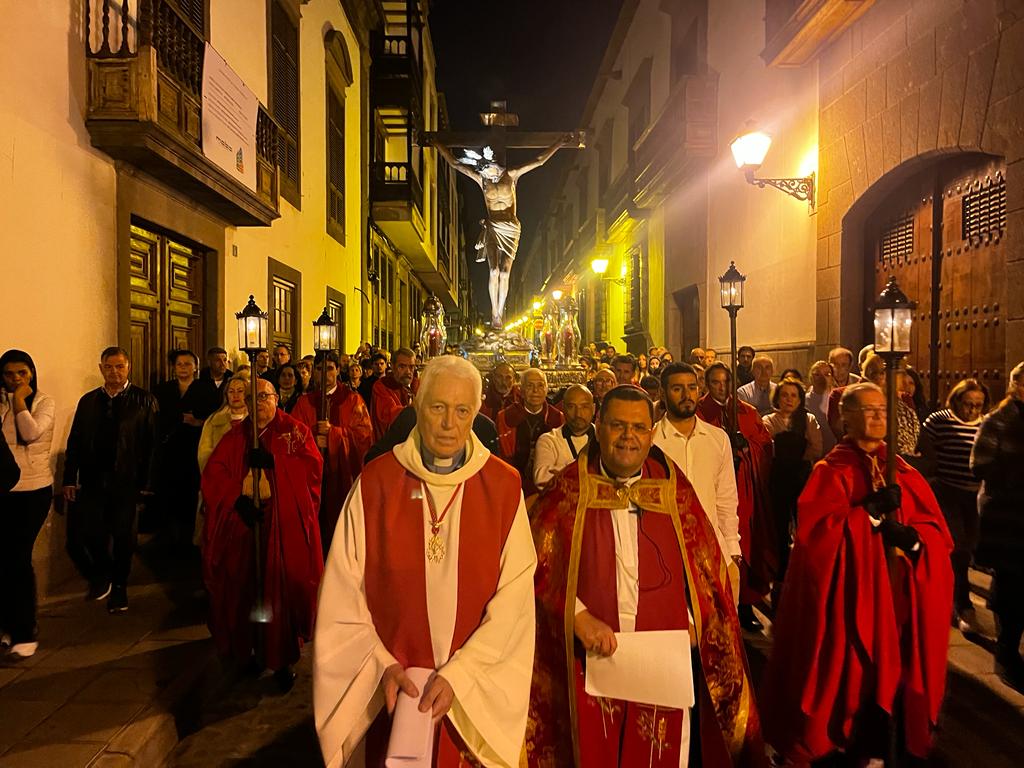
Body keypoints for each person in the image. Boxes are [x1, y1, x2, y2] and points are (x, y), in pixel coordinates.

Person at [314, 356, 537, 767]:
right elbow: (342, 594)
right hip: (393, 691)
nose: (449, 423)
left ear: (477, 412)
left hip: (471, 697)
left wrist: (461, 675)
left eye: (462, 410)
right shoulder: (376, 483)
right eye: (438, 408)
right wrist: (380, 666)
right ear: (417, 404)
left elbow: (516, 602)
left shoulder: (504, 488)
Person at [527, 386, 765, 766]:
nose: (628, 437)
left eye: (638, 428)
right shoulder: (568, 490)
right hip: (588, 658)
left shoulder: (673, 489)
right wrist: (577, 617)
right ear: (598, 427)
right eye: (618, 425)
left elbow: (705, 571)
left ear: (651, 432)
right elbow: (534, 567)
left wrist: (694, 621)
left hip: (661, 657)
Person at [762, 383, 953, 765]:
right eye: (868, 409)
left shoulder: (902, 470)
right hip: (853, 605)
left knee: (896, 689)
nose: (879, 416)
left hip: (899, 604)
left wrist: (914, 542)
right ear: (844, 418)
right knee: (853, 688)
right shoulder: (830, 472)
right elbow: (817, 543)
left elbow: (937, 536)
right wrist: (866, 515)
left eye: (883, 408)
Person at [202, 378, 323, 691]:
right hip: (246, 527)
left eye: (264, 397)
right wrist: (236, 500)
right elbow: (214, 475)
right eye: (251, 398)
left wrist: (275, 465)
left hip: (281, 528)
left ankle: (281, 660)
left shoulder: (295, 432)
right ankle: (251, 650)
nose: (258, 404)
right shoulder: (236, 436)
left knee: (278, 595)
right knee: (246, 590)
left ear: (275, 399)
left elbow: (311, 473)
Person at [435, 134, 577, 327]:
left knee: (504, 272)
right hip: (493, 226)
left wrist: (559, 144)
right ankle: (495, 313)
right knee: (493, 270)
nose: (489, 174)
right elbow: (455, 164)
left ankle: (500, 310)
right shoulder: (482, 179)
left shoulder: (511, 175)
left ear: (495, 164)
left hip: (510, 228)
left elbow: (539, 161)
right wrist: (437, 143)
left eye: (491, 170)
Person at [62, 347, 159, 613]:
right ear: (101, 368)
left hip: (126, 480)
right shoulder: (89, 401)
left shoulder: (144, 400)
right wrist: (70, 477)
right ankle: (101, 575)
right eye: (109, 367)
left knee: (123, 535)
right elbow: (76, 441)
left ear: (128, 368)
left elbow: (151, 445)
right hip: (93, 478)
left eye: (119, 367)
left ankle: (119, 585)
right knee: (90, 532)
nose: (114, 372)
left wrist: (147, 484)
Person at [697, 362, 776, 631]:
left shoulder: (746, 412)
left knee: (744, 546)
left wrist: (746, 449)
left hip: (745, 490)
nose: (721, 387)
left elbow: (764, 445)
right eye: (716, 382)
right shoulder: (699, 412)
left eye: (725, 382)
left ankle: (744, 605)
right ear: (708, 384)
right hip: (713, 491)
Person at [653, 362, 742, 573]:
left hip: (713, 552)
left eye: (691, 387)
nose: (687, 395)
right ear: (663, 394)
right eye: (677, 389)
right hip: (666, 555)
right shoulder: (651, 442)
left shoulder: (717, 439)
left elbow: (726, 498)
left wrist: (732, 548)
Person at [918, 378, 989, 636]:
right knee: (957, 548)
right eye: (967, 404)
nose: (972, 410)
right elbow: (924, 453)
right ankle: (963, 605)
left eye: (977, 405)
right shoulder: (939, 421)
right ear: (957, 400)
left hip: (974, 496)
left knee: (969, 548)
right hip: (947, 492)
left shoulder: (986, 423)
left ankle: (945, 593)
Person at [971, 361, 1024, 691]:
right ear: (1015, 384)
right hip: (1009, 515)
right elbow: (979, 465)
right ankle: (1006, 652)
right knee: (1011, 584)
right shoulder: (998, 420)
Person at [0, 350, 55, 659]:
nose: (16, 379)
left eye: (21, 373)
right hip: (3, 490)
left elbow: (31, 433)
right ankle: (7, 626)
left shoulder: (44, 402)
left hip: (33, 489)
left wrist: (20, 401)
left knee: (18, 558)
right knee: (3, 560)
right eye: (9, 374)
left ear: (31, 373)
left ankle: (25, 629)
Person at [291, 351, 372, 553]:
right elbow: (292, 435)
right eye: (319, 369)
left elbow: (364, 436)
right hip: (311, 474)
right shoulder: (304, 402)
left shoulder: (353, 400)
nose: (324, 373)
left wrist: (334, 435)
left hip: (342, 474)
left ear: (337, 370)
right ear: (313, 372)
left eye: (329, 368)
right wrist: (312, 439)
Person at [762, 378, 822, 592]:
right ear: (777, 397)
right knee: (779, 525)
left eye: (793, 395)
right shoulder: (768, 420)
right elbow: (766, 449)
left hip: (801, 477)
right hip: (778, 478)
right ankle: (781, 571)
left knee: (803, 525)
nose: (789, 399)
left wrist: (797, 459)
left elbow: (816, 447)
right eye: (784, 395)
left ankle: (803, 569)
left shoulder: (808, 419)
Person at [153, 349, 208, 548]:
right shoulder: (162, 390)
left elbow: (215, 418)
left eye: (187, 364)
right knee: (168, 492)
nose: (183, 367)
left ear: (196, 367)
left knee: (190, 493)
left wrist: (198, 422)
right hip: (169, 449)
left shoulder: (206, 389)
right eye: (179, 364)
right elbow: (156, 419)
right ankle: (166, 536)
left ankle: (189, 537)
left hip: (194, 448)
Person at [497, 367, 564, 498]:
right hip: (515, 483)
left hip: (548, 486)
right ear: (520, 390)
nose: (535, 391)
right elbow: (505, 458)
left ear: (546, 389)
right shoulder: (506, 417)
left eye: (540, 385)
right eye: (530, 386)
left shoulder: (557, 417)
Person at [532, 384, 595, 492]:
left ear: (593, 409)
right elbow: (541, 479)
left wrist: (563, 473)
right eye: (571, 406)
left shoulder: (604, 437)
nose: (578, 413)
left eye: (584, 406)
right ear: (563, 408)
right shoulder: (548, 440)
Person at [371, 348, 415, 442]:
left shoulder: (418, 384)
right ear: (392, 366)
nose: (408, 372)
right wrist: (414, 408)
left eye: (411, 367)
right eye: (402, 367)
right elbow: (387, 414)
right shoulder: (381, 385)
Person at [806, 360, 836, 455]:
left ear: (832, 378)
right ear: (811, 377)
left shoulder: (837, 399)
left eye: (827, 374)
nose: (822, 378)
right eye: (817, 374)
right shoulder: (803, 400)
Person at [197, 346, 233, 416]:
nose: (222, 364)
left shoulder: (232, 379)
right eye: (218, 360)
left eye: (225, 360)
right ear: (209, 362)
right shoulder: (199, 380)